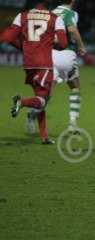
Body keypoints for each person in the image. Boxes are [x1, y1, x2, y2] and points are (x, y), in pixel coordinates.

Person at [0, 0, 68, 144]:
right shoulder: (55, 18)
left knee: (39, 99)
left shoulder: (22, 16)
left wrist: (23, 48)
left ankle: (44, 137)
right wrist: (50, 41)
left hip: (28, 63)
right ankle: (22, 102)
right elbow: (63, 44)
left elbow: (7, 38)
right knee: (43, 100)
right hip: (44, 64)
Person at [26, 0, 87, 135]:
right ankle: (72, 123)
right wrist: (81, 46)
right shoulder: (70, 13)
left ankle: (32, 113)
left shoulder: (50, 13)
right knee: (75, 88)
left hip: (49, 56)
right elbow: (72, 30)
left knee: (47, 93)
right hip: (65, 55)